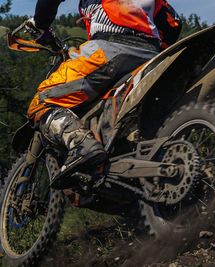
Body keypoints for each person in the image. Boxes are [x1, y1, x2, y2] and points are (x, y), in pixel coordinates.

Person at [26, 0, 182, 189]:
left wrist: (40, 24)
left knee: (42, 102)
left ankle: (81, 145)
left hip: (110, 49)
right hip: (151, 56)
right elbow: (173, 23)